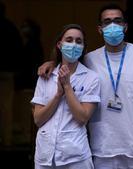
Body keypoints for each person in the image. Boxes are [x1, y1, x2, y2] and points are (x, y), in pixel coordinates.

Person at [38, 4, 133, 169]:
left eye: (117, 21)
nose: (113, 26)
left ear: (125, 27)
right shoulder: (89, 60)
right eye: (107, 22)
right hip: (103, 151)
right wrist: (52, 63)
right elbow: (68, 63)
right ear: (100, 29)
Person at [31, 24, 100, 169]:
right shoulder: (46, 76)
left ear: (83, 48)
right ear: (59, 45)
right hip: (45, 156)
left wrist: (67, 87)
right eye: (69, 40)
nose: (73, 45)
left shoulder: (91, 78)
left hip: (75, 156)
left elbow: (82, 118)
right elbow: (38, 119)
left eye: (78, 41)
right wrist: (58, 95)